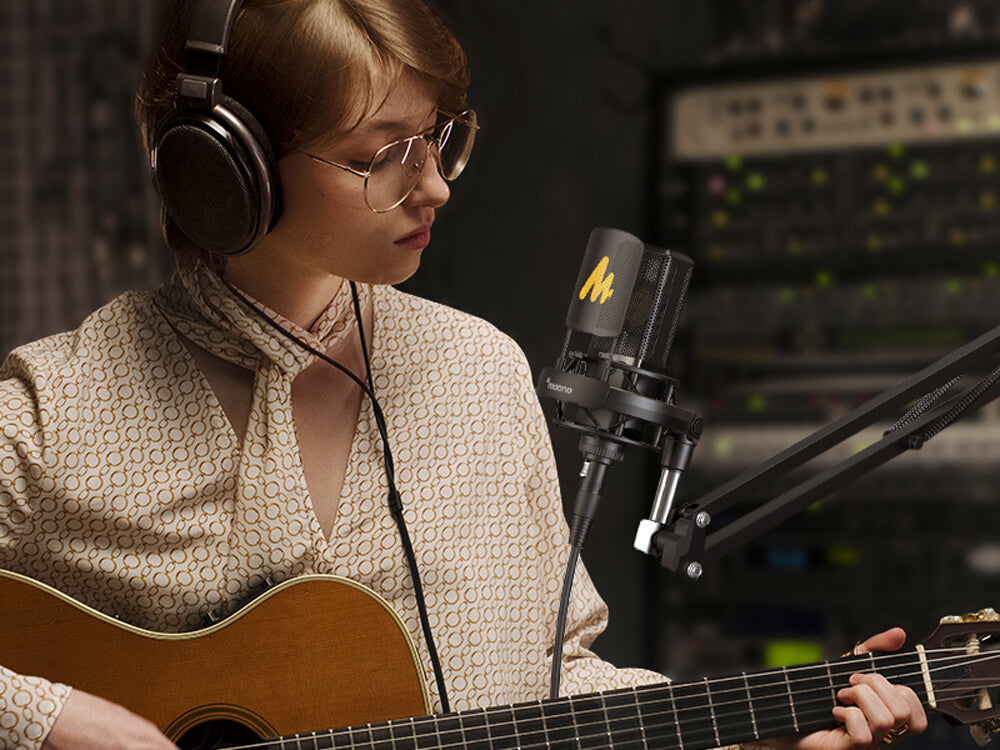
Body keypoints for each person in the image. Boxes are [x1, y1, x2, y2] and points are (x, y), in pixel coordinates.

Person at [0, 1, 927, 749]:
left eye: (439, 138)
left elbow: (551, 681)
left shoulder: (478, 371)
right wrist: (53, 724)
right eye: (381, 157)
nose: (436, 185)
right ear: (225, 172)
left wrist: (772, 734)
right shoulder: (60, 409)